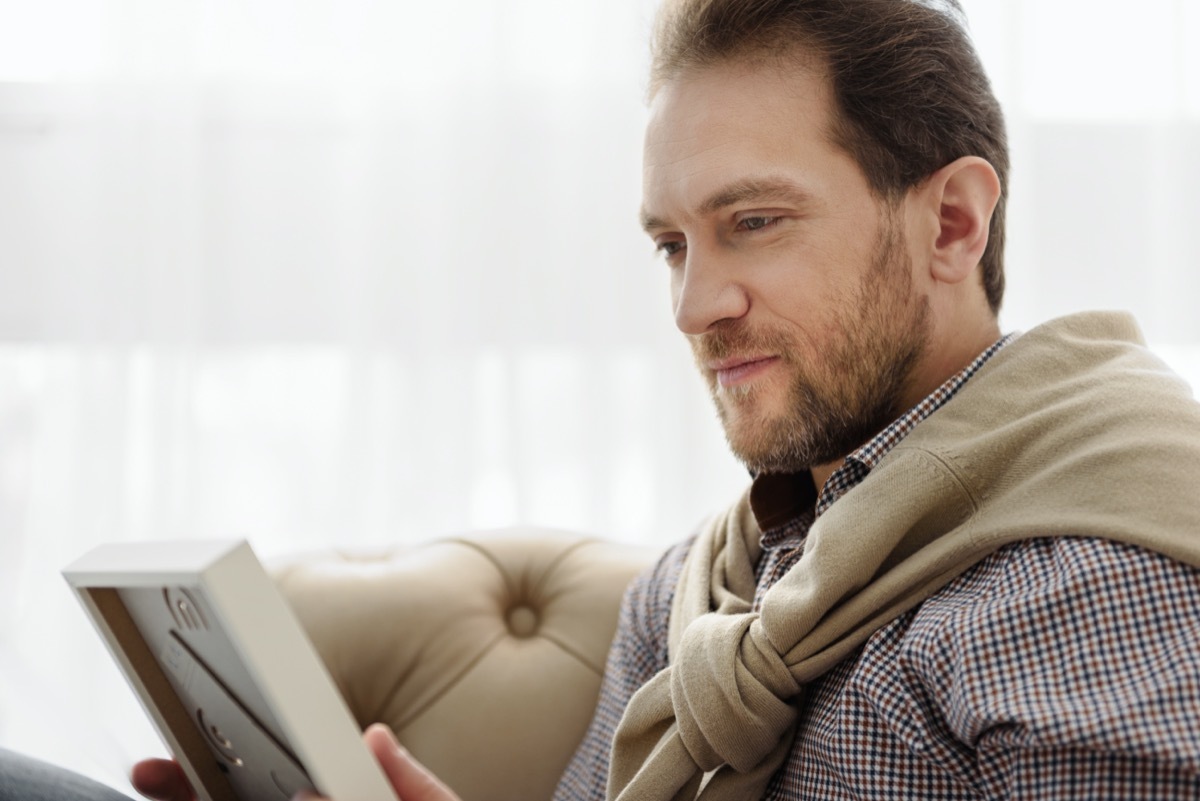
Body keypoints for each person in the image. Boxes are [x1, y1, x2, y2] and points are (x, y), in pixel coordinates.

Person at [5, 0, 1200, 799]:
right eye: (672, 245)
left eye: (754, 224)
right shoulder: (694, 595)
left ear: (951, 222)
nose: (694, 306)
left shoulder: (1092, 582)